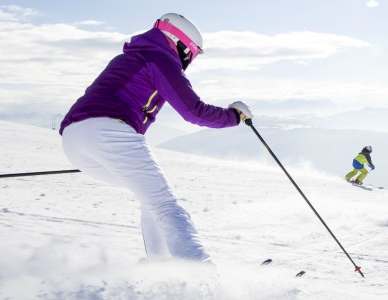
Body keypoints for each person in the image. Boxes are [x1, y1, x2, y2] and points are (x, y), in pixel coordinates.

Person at [59, 13, 252, 263]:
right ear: (183, 45)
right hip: (107, 132)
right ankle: (199, 274)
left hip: (74, 138)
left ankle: (159, 265)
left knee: (149, 197)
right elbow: (194, 111)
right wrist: (234, 116)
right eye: (192, 54)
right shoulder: (161, 58)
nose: (189, 61)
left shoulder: (129, 57)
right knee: (164, 204)